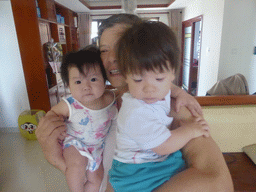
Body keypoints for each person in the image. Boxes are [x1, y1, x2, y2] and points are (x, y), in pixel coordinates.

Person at [35, 14, 233, 192]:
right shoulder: (100, 103)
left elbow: (217, 183)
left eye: (122, 47)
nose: (113, 58)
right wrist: (54, 157)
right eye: (104, 50)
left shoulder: (172, 106)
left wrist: (177, 90)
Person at [108, 21, 210, 192]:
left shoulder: (162, 90)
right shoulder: (136, 111)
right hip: (136, 175)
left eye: (159, 79)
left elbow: (169, 88)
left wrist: (182, 94)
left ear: (172, 74)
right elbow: (163, 145)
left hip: (152, 164)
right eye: (138, 80)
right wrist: (191, 130)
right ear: (126, 76)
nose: (149, 88)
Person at [44, 46, 118, 192]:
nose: (86, 87)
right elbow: (51, 115)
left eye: (93, 79)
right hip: (75, 142)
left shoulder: (111, 98)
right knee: (77, 165)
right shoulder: (70, 104)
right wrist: (58, 126)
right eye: (78, 82)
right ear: (68, 86)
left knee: (97, 179)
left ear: (105, 80)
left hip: (97, 148)